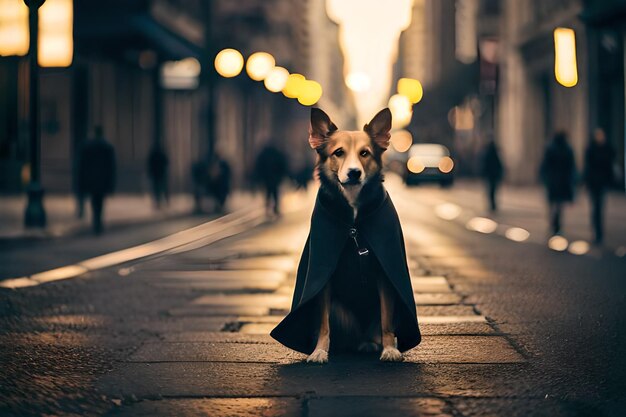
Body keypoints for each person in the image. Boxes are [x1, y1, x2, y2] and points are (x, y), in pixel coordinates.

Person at [78, 126, 116, 234]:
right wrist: (111, 184)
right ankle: (98, 222)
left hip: (91, 180)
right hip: (102, 181)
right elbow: (111, 168)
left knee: (94, 202)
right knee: (99, 202)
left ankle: (96, 222)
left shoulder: (88, 147)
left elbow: (83, 166)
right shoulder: (107, 147)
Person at [539, 131, 577, 236]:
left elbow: (544, 165)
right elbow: (571, 167)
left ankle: (554, 224)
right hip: (561, 182)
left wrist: (545, 178)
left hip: (553, 182)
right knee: (559, 205)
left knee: (553, 204)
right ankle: (557, 225)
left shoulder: (551, 148)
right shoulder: (567, 149)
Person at [583, 128, 614, 244]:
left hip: (602, 183)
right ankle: (595, 230)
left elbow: (609, 167)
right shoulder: (591, 149)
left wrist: (610, 181)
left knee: (599, 207)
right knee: (595, 207)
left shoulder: (608, 149)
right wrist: (586, 181)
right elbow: (588, 167)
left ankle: (599, 232)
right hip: (593, 183)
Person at [255, 143, 288, 216]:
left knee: (268, 194)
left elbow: (259, 166)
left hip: (267, 178)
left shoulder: (263, 154)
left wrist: (259, 177)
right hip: (274, 178)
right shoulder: (277, 154)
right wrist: (281, 176)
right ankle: (275, 209)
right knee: (275, 193)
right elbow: (282, 165)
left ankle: (268, 209)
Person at [480, 137, 504, 212]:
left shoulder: (487, 154)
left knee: (491, 190)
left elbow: (484, 165)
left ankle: (492, 205)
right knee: (493, 190)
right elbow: (499, 165)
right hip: (494, 175)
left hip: (490, 175)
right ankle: (493, 205)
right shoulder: (495, 154)